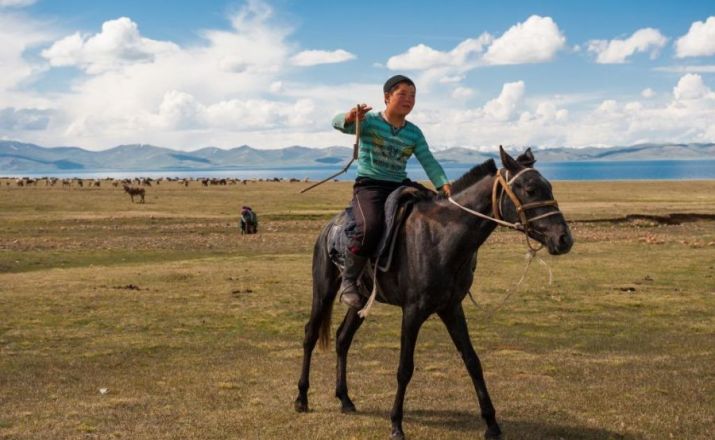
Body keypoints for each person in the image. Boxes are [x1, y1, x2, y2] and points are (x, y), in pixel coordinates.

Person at [332, 74, 452, 309]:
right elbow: (337, 123)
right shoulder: (369, 121)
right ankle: (348, 280)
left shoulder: (414, 133)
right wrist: (349, 117)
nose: (409, 99)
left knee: (437, 209)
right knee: (370, 226)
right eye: (403, 94)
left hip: (399, 184)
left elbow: (428, 160)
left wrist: (443, 185)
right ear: (387, 97)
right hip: (371, 185)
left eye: (413, 95)